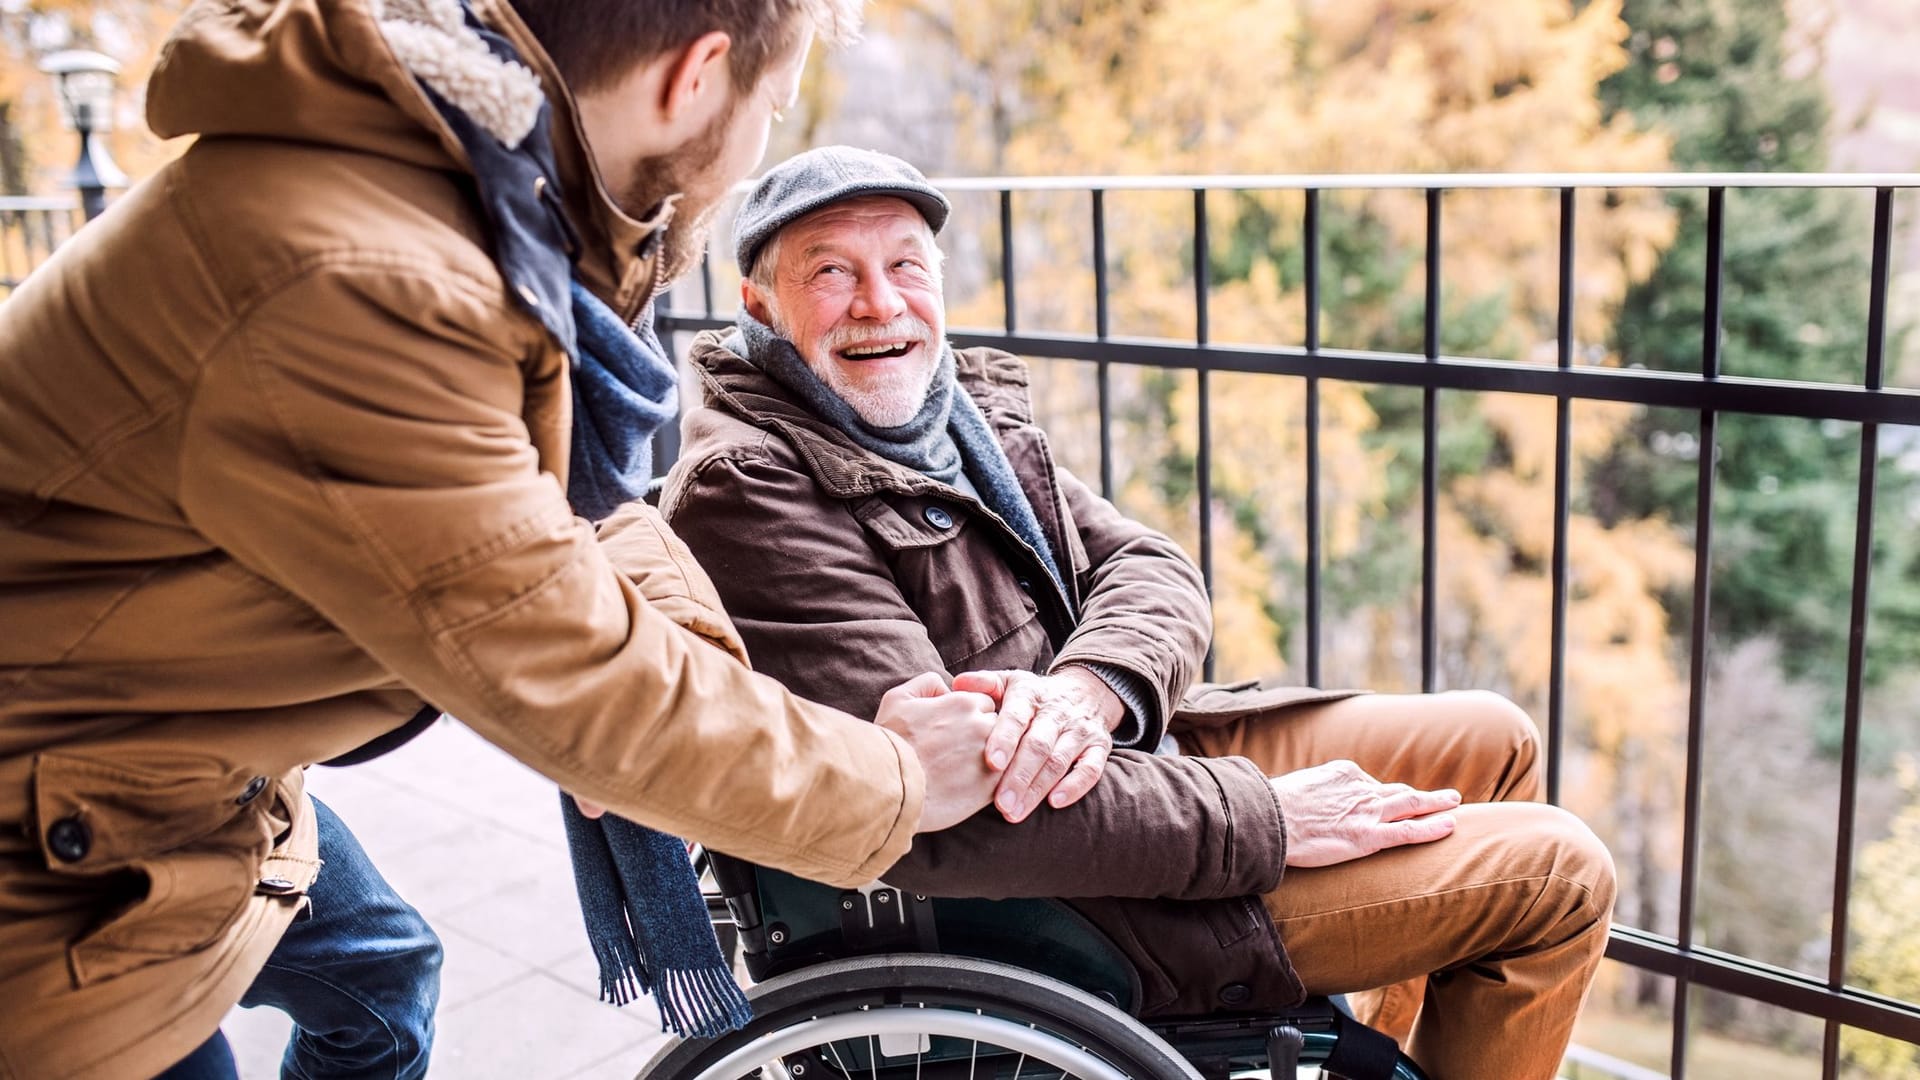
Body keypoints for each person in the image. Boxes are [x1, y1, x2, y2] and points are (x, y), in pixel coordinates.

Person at [0, 4, 1011, 1077]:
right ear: (697, 79)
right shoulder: (364, 283)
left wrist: (669, 676)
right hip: (58, 848)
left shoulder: (472, 194)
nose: (767, 137)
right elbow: (582, 688)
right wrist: (896, 783)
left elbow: (571, 507)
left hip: (174, 752)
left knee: (385, 981)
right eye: (775, 103)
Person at [660, 145, 1620, 1080]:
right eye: (833, 272)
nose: (882, 302)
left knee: (1493, 740)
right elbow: (933, 819)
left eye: (905, 265)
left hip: (1126, 768)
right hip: (1074, 898)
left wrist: (1087, 693)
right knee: (1561, 879)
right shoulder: (750, 487)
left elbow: (1149, 566)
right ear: (761, 304)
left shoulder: (947, 416)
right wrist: (1265, 817)